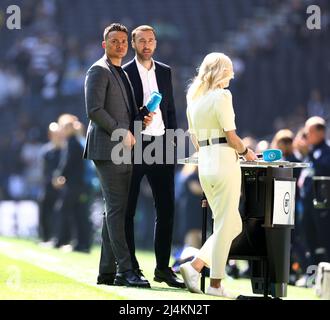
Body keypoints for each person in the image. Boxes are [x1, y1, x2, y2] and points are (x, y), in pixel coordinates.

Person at [180, 52, 257, 298]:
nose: (232, 75)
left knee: (230, 224)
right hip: (224, 160)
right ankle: (214, 284)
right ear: (222, 71)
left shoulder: (194, 99)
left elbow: (195, 140)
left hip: (205, 162)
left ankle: (196, 265)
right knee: (226, 224)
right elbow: (232, 137)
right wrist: (248, 153)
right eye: (230, 70)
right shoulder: (222, 95)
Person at [83, 23, 152, 287]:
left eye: (124, 41)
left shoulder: (120, 71)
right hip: (107, 148)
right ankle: (126, 270)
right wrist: (120, 131)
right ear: (105, 44)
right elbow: (94, 110)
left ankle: (107, 273)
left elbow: (124, 112)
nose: (120, 45)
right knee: (116, 210)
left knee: (113, 211)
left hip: (122, 147)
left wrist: (140, 118)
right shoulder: (98, 70)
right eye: (114, 41)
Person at [123, 25, 184, 288]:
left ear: (156, 43)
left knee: (167, 209)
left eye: (151, 40)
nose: (146, 45)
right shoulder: (124, 73)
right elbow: (122, 112)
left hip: (162, 144)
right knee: (129, 209)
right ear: (133, 43)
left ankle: (162, 268)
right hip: (136, 143)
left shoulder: (166, 71)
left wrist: (173, 143)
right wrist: (139, 116)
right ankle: (132, 267)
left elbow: (170, 110)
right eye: (141, 41)